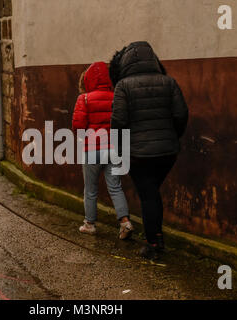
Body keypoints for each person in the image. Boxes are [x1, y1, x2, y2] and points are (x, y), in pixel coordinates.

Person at [109, 41, 189, 260]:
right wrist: (172, 137)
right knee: (152, 193)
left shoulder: (123, 86)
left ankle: (152, 243)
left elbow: (118, 122)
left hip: (138, 154)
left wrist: (120, 150)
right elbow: (181, 115)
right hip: (167, 152)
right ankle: (157, 236)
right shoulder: (169, 82)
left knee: (148, 195)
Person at [72, 61, 133, 239]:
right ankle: (125, 222)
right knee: (115, 187)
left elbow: (78, 125)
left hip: (92, 149)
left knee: (90, 189)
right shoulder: (116, 97)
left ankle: (90, 224)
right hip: (113, 149)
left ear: (88, 80)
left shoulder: (84, 99)